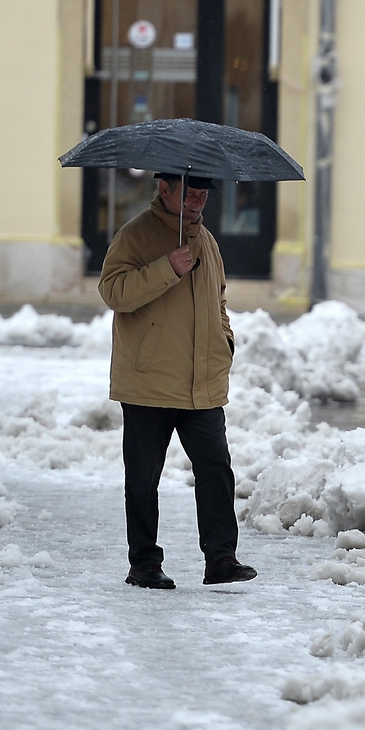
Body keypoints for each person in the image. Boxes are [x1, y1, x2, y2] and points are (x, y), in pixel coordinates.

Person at [99, 173, 256, 590]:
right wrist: (166, 267)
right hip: (148, 381)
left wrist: (225, 341)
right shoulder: (135, 235)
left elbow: (217, 300)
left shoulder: (207, 241)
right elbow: (114, 292)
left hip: (200, 383)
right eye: (189, 192)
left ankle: (221, 559)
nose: (197, 201)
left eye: (203, 194)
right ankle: (144, 563)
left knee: (216, 470)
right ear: (164, 188)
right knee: (143, 477)